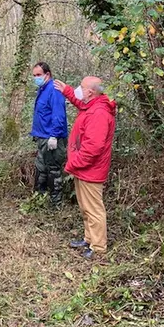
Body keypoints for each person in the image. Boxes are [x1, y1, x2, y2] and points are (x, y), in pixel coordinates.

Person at [54, 77, 116, 260]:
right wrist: (67, 91)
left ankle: (98, 247)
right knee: (85, 207)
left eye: (81, 87)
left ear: (91, 92)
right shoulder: (92, 105)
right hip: (84, 169)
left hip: (91, 170)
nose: (78, 90)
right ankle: (89, 238)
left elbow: (93, 148)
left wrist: (72, 164)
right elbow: (80, 103)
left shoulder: (99, 113)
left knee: (94, 209)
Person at [30, 62, 68, 206]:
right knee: (41, 167)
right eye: (34, 75)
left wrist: (54, 135)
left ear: (48, 74)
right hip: (42, 137)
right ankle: (39, 198)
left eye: (39, 75)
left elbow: (58, 115)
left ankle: (56, 203)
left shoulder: (54, 90)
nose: (36, 78)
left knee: (53, 170)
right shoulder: (42, 89)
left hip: (52, 138)